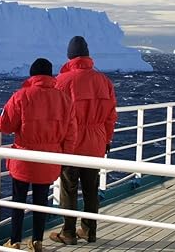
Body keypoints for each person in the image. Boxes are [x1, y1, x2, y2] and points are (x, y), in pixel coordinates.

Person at [0, 58, 76, 252]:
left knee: (18, 200)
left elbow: (5, 125)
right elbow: (71, 132)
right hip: (50, 158)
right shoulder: (64, 99)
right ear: (51, 76)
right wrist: (64, 157)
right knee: (41, 202)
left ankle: (15, 241)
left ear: (32, 75)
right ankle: (37, 242)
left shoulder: (21, 95)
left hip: (24, 159)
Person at [49, 36, 117, 245]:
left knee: (69, 188)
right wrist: (107, 139)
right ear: (87, 55)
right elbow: (111, 115)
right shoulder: (104, 81)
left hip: (71, 143)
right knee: (91, 188)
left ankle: (68, 233)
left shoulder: (62, 81)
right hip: (96, 141)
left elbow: (56, 115)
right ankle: (89, 231)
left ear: (70, 56)